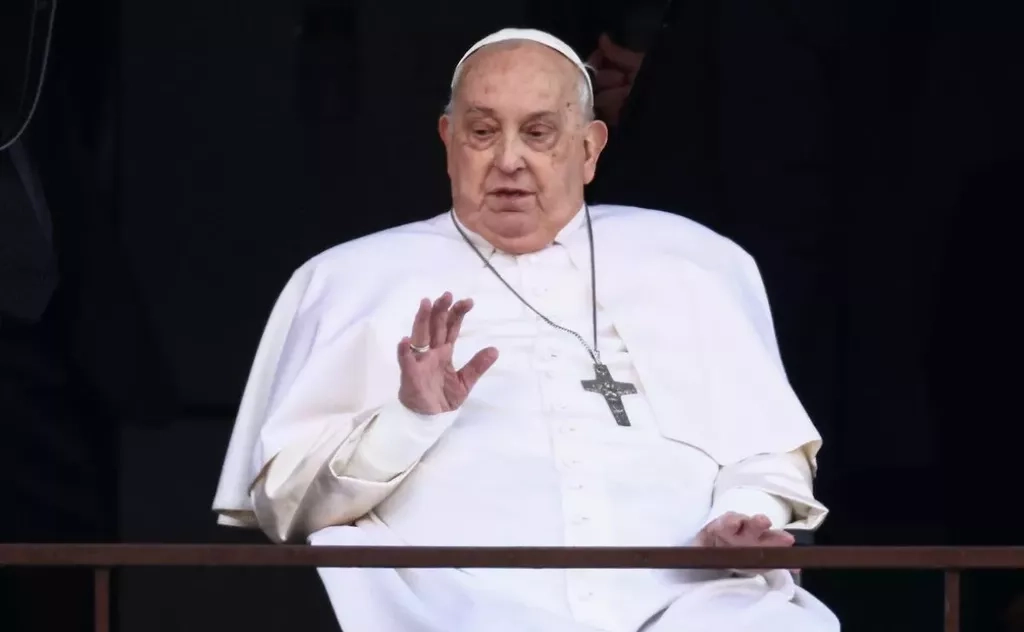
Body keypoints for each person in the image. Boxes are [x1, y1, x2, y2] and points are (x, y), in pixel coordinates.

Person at [213, 28, 838, 632]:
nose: (509, 159)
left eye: (538, 133)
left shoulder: (693, 261)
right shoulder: (348, 279)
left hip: (696, 603)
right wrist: (406, 421)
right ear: (448, 140)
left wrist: (741, 516)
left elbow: (767, 452)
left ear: (590, 148)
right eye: (483, 132)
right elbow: (286, 508)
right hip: (454, 604)